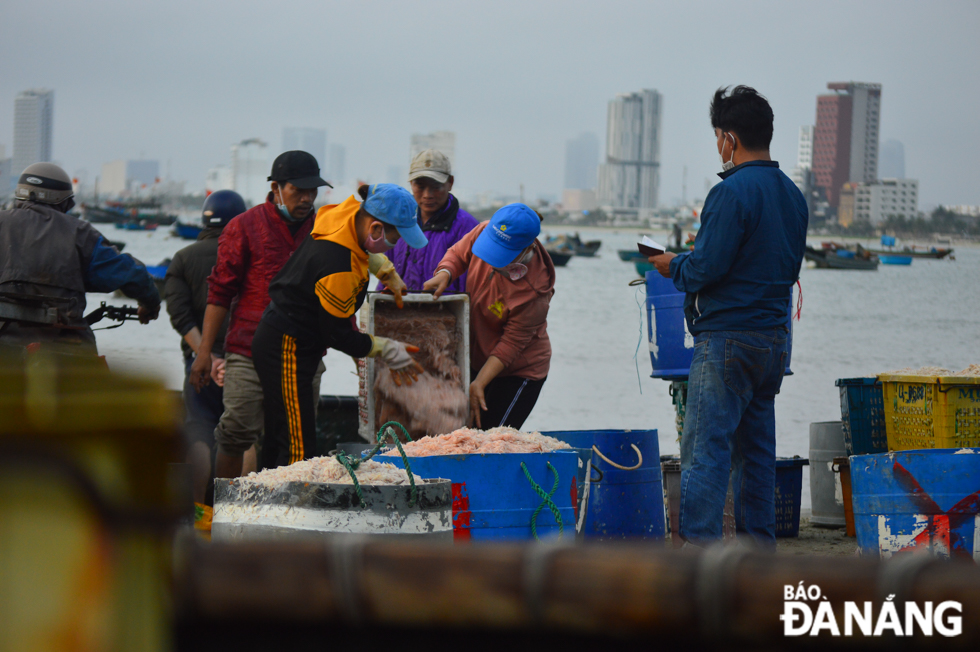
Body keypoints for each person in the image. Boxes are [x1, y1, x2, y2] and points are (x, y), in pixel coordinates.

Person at [647, 86, 808, 551]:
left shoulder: (729, 192)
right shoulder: (793, 196)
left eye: (718, 136)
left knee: (706, 453)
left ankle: (697, 558)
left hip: (726, 342)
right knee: (756, 455)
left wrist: (671, 263)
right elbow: (783, 266)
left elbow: (704, 269)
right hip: (773, 342)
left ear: (728, 139)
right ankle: (759, 558)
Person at [251, 184, 420, 469]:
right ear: (376, 229)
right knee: (297, 448)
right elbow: (338, 335)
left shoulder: (347, 214)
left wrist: (385, 272)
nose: (396, 244)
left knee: (281, 434)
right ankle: (292, 509)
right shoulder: (338, 267)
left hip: (282, 336)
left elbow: (361, 243)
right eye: (396, 238)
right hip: (287, 347)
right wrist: (387, 348)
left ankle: (266, 506)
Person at [189, 151, 330, 478]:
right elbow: (220, 290)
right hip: (248, 349)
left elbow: (337, 293)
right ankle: (225, 511)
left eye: (313, 191)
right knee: (236, 432)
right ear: (277, 187)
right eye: (299, 190)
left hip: (303, 354)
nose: (307, 198)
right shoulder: (245, 226)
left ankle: (285, 514)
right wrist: (204, 353)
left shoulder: (325, 229)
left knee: (296, 438)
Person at [0, 162, 159, 356]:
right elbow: (131, 274)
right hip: (65, 352)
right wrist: (150, 304)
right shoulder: (80, 234)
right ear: (63, 201)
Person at [423, 204, 554, 430]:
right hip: (478, 354)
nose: (491, 261)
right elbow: (458, 253)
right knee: (459, 434)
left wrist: (480, 383)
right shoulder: (487, 229)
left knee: (490, 440)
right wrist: (445, 272)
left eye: (501, 254)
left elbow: (511, 344)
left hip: (518, 370)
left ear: (527, 247)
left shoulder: (535, 291)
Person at [164, 190, 246, 532]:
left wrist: (205, 357)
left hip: (198, 367)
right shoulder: (251, 256)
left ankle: (200, 518)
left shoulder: (183, 258)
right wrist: (225, 359)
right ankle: (240, 516)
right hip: (244, 362)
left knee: (199, 433)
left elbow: (180, 316)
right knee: (246, 435)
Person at [378, 149, 478, 293]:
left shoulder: (468, 229)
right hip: (398, 310)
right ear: (411, 184)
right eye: (420, 186)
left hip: (445, 311)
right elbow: (385, 276)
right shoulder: (397, 222)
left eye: (435, 187)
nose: (427, 195)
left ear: (450, 183)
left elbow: (471, 288)